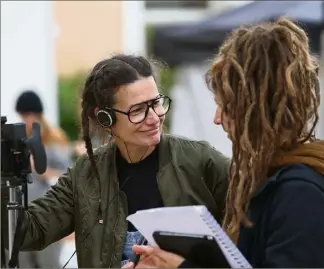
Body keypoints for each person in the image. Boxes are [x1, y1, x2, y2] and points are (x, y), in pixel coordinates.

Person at [124, 18, 324, 268]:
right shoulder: (269, 181)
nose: (217, 119)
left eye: (225, 106)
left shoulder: (299, 192)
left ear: (257, 108)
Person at [1, 54, 230, 268]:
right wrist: (7, 180)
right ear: (105, 118)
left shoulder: (201, 161)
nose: (154, 118)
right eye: (138, 110)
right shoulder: (85, 175)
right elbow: (25, 232)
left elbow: (254, 241)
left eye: (156, 103)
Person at [14, 90, 73, 267]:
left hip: (47, 217)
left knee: (48, 263)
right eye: (23, 115)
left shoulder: (54, 141)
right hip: (20, 216)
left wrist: (38, 167)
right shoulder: (18, 139)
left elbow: (66, 177)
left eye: (30, 114)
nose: (26, 119)